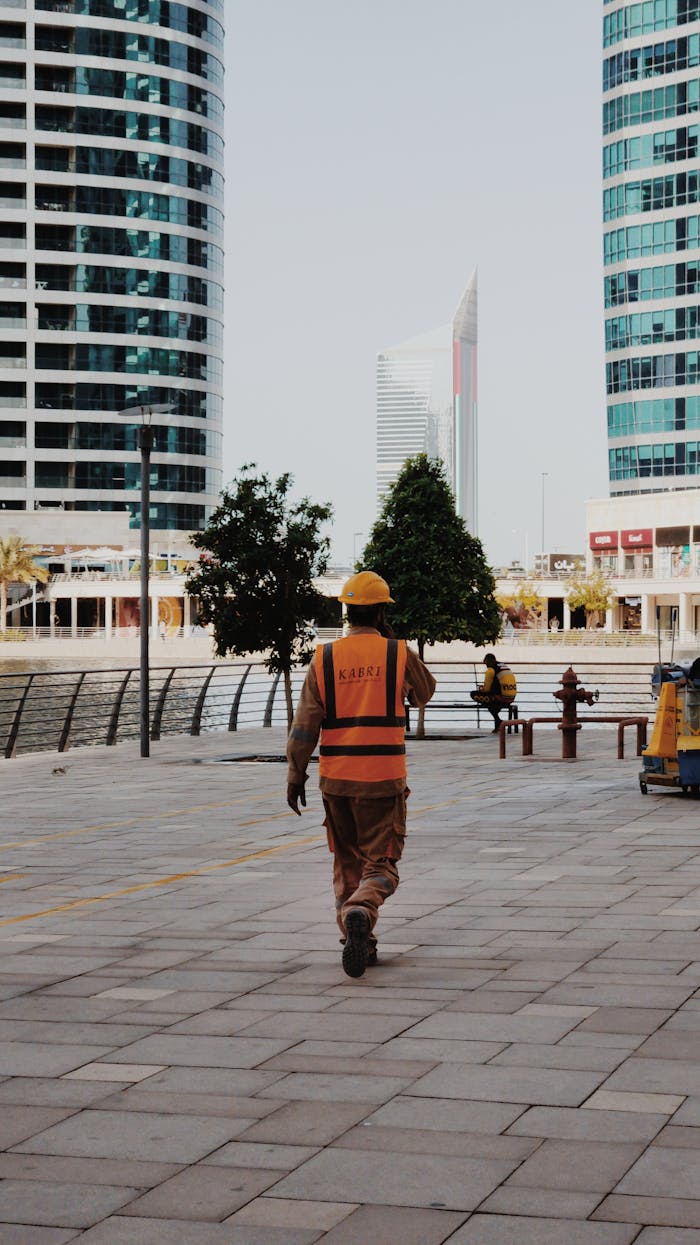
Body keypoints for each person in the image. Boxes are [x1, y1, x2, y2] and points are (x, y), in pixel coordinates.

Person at [286, 570, 436, 979]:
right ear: (382, 611)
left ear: (347, 611)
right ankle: (361, 909)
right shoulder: (398, 653)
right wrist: (394, 648)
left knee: (346, 864)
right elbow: (425, 692)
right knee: (381, 867)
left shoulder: (324, 657)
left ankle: (360, 941)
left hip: (335, 779)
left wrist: (295, 773)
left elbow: (304, 724)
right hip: (383, 779)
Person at [470, 652, 517, 733]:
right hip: (511, 697)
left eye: (486, 663)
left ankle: (498, 721)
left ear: (488, 661)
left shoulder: (491, 670)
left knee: (474, 695)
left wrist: (481, 689)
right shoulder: (503, 666)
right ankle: (497, 720)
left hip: (501, 698)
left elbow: (486, 690)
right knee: (490, 703)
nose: (486, 666)